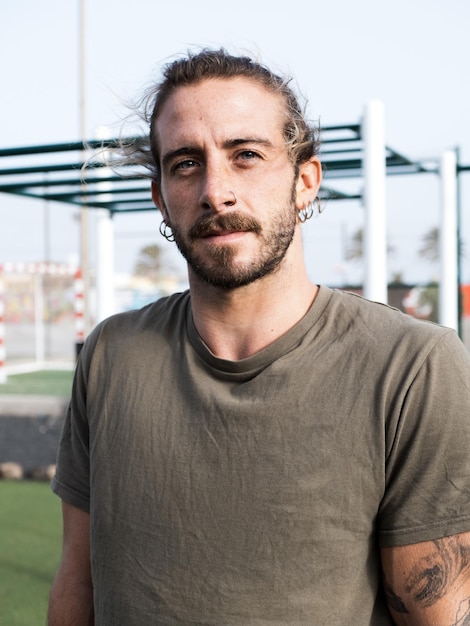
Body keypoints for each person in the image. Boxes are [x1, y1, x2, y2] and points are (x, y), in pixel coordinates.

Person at [48, 48, 470, 626]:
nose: (215, 191)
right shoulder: (109, 356)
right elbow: (77, 580)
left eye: (246, 155)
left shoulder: (413, 367)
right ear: (160, 198)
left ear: (305, 181)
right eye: (185, 163)